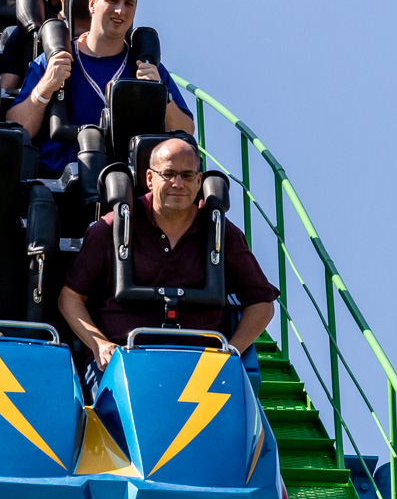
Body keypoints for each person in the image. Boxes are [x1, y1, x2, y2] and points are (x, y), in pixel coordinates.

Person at [58, 135, 279, 389]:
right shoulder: (111, 228)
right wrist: (100, 344)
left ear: (199, 181)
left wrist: (232, 351)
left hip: (202, 365)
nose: (177, 183)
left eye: (187, 175)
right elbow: (70, 297)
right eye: (169, 174)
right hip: (124, 360)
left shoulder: (221, 234)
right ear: (150, 179)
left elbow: (262, 303)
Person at [7, 0, 194, 174]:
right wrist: (45, 87)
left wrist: (161, 93)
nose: (120, 10)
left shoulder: (146, 67)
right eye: (112, 0)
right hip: (58, 182)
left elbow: (186, 132)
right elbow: (18, 126)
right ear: (92, 4)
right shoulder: (53, 60)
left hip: (125, 183)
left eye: (128, 3)